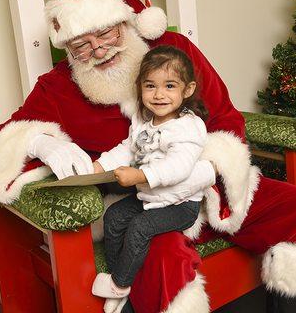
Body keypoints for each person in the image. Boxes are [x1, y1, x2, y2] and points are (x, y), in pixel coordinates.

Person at [0, 0, 296, 313]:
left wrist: (206, 168)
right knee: (163, 260)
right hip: (143, 206)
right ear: (68, 49)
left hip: (208, 188)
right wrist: (43, 142)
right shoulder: (57, 88)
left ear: (128, 22)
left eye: (106, 34)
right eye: (82, 46)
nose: (99, 51)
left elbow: (225, 115)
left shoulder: (173, 52)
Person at [90, 47, 212, 312]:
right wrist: (100, 165)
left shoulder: (188, 127)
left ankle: (120, 285)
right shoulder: (144, 120)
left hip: (180, 204)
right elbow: (127, 148)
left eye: (170, 86)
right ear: (140, 88)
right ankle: (118, 276)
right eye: (150, 86)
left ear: (187, 90)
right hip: (149, 197)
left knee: (140, 228)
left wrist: (141, 174)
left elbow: (179, 166)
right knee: (113, 218)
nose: (159, 95)